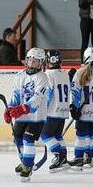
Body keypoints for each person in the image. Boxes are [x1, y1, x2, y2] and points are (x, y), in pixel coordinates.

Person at [3, 47, 48, 181]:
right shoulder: (20, 76)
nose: (32, 62)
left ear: (41, 63)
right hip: (22, 115)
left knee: (28, 139)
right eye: (30, 59)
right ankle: (25, 161)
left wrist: (22, 109)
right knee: (17, 138)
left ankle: (27, 166)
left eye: (35, 61)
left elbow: (37, 98)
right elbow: (16, 94)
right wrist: (10, 109)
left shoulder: (43, 77)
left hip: (36, 116)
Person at [39, 50, 70, 172]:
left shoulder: (47, 75)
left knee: (45, 135)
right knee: (57, 135)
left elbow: (48, 94)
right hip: (62, 111)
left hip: (51, 111)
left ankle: (59, 156)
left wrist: (41, 109)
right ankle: (64, 158)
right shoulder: (65, 74)